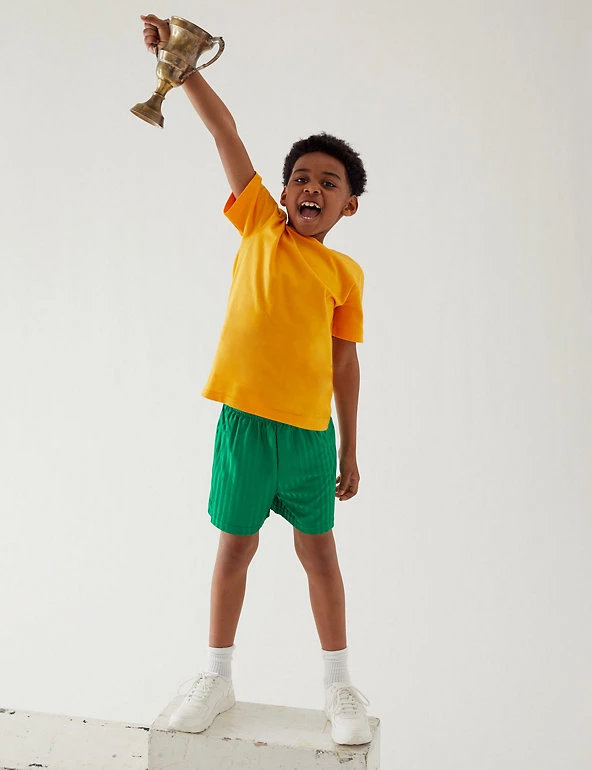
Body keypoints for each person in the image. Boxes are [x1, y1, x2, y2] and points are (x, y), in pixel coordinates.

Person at [140, 14, 372, 746]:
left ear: (348, 204)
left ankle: (339, 687)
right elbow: (225, 133)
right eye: (300, 177)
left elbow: (344, 362)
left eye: (328, 182)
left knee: (319, 555)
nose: (311, 188)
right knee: (233, 549)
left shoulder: (344, 274)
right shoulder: (260, 226)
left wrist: (350, 448)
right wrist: (183, 70)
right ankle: (216, 676)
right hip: (244, 425)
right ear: (281, 190)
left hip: (308, 437)